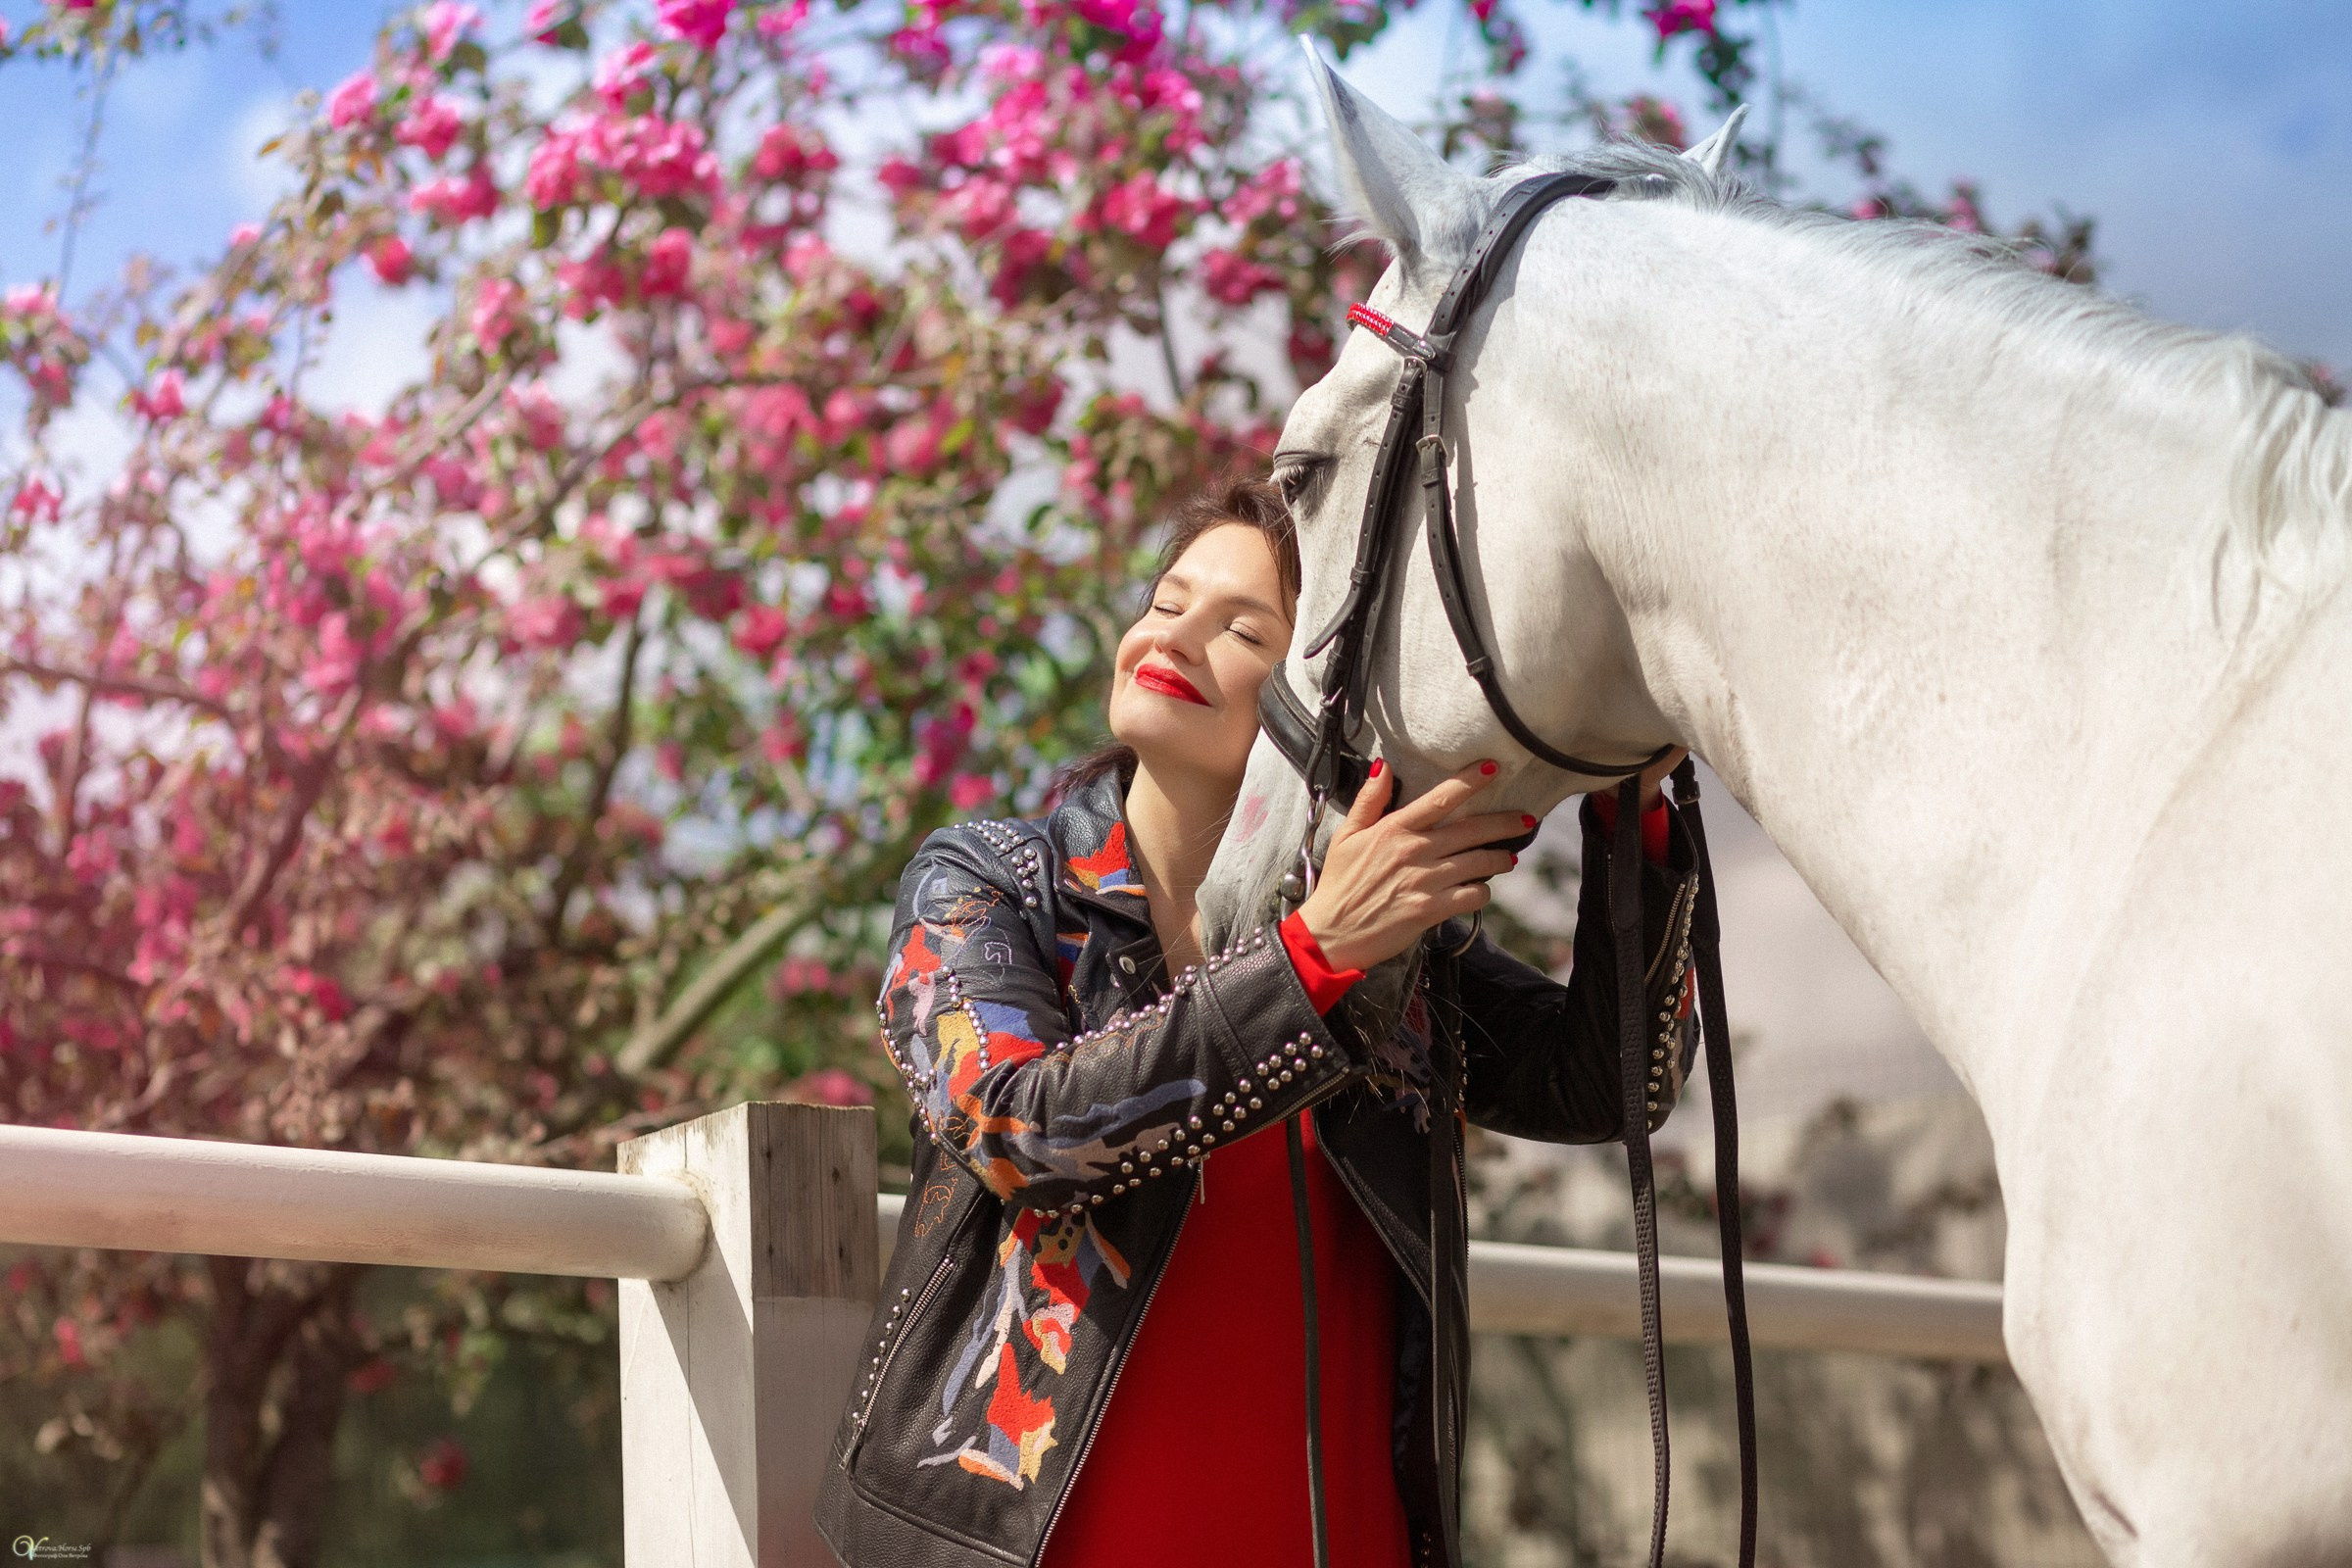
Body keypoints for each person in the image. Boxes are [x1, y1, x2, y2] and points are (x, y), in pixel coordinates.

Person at [815, 474, 1698, 1568]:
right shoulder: (991, 881)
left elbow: (1611, 1083)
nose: (1173, 634)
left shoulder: (1390, 939)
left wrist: (1637, 818)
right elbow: (1016, 1133)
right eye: (1168, 599)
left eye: (1243, 629)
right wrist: (1313, 959)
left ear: (1323, 697)